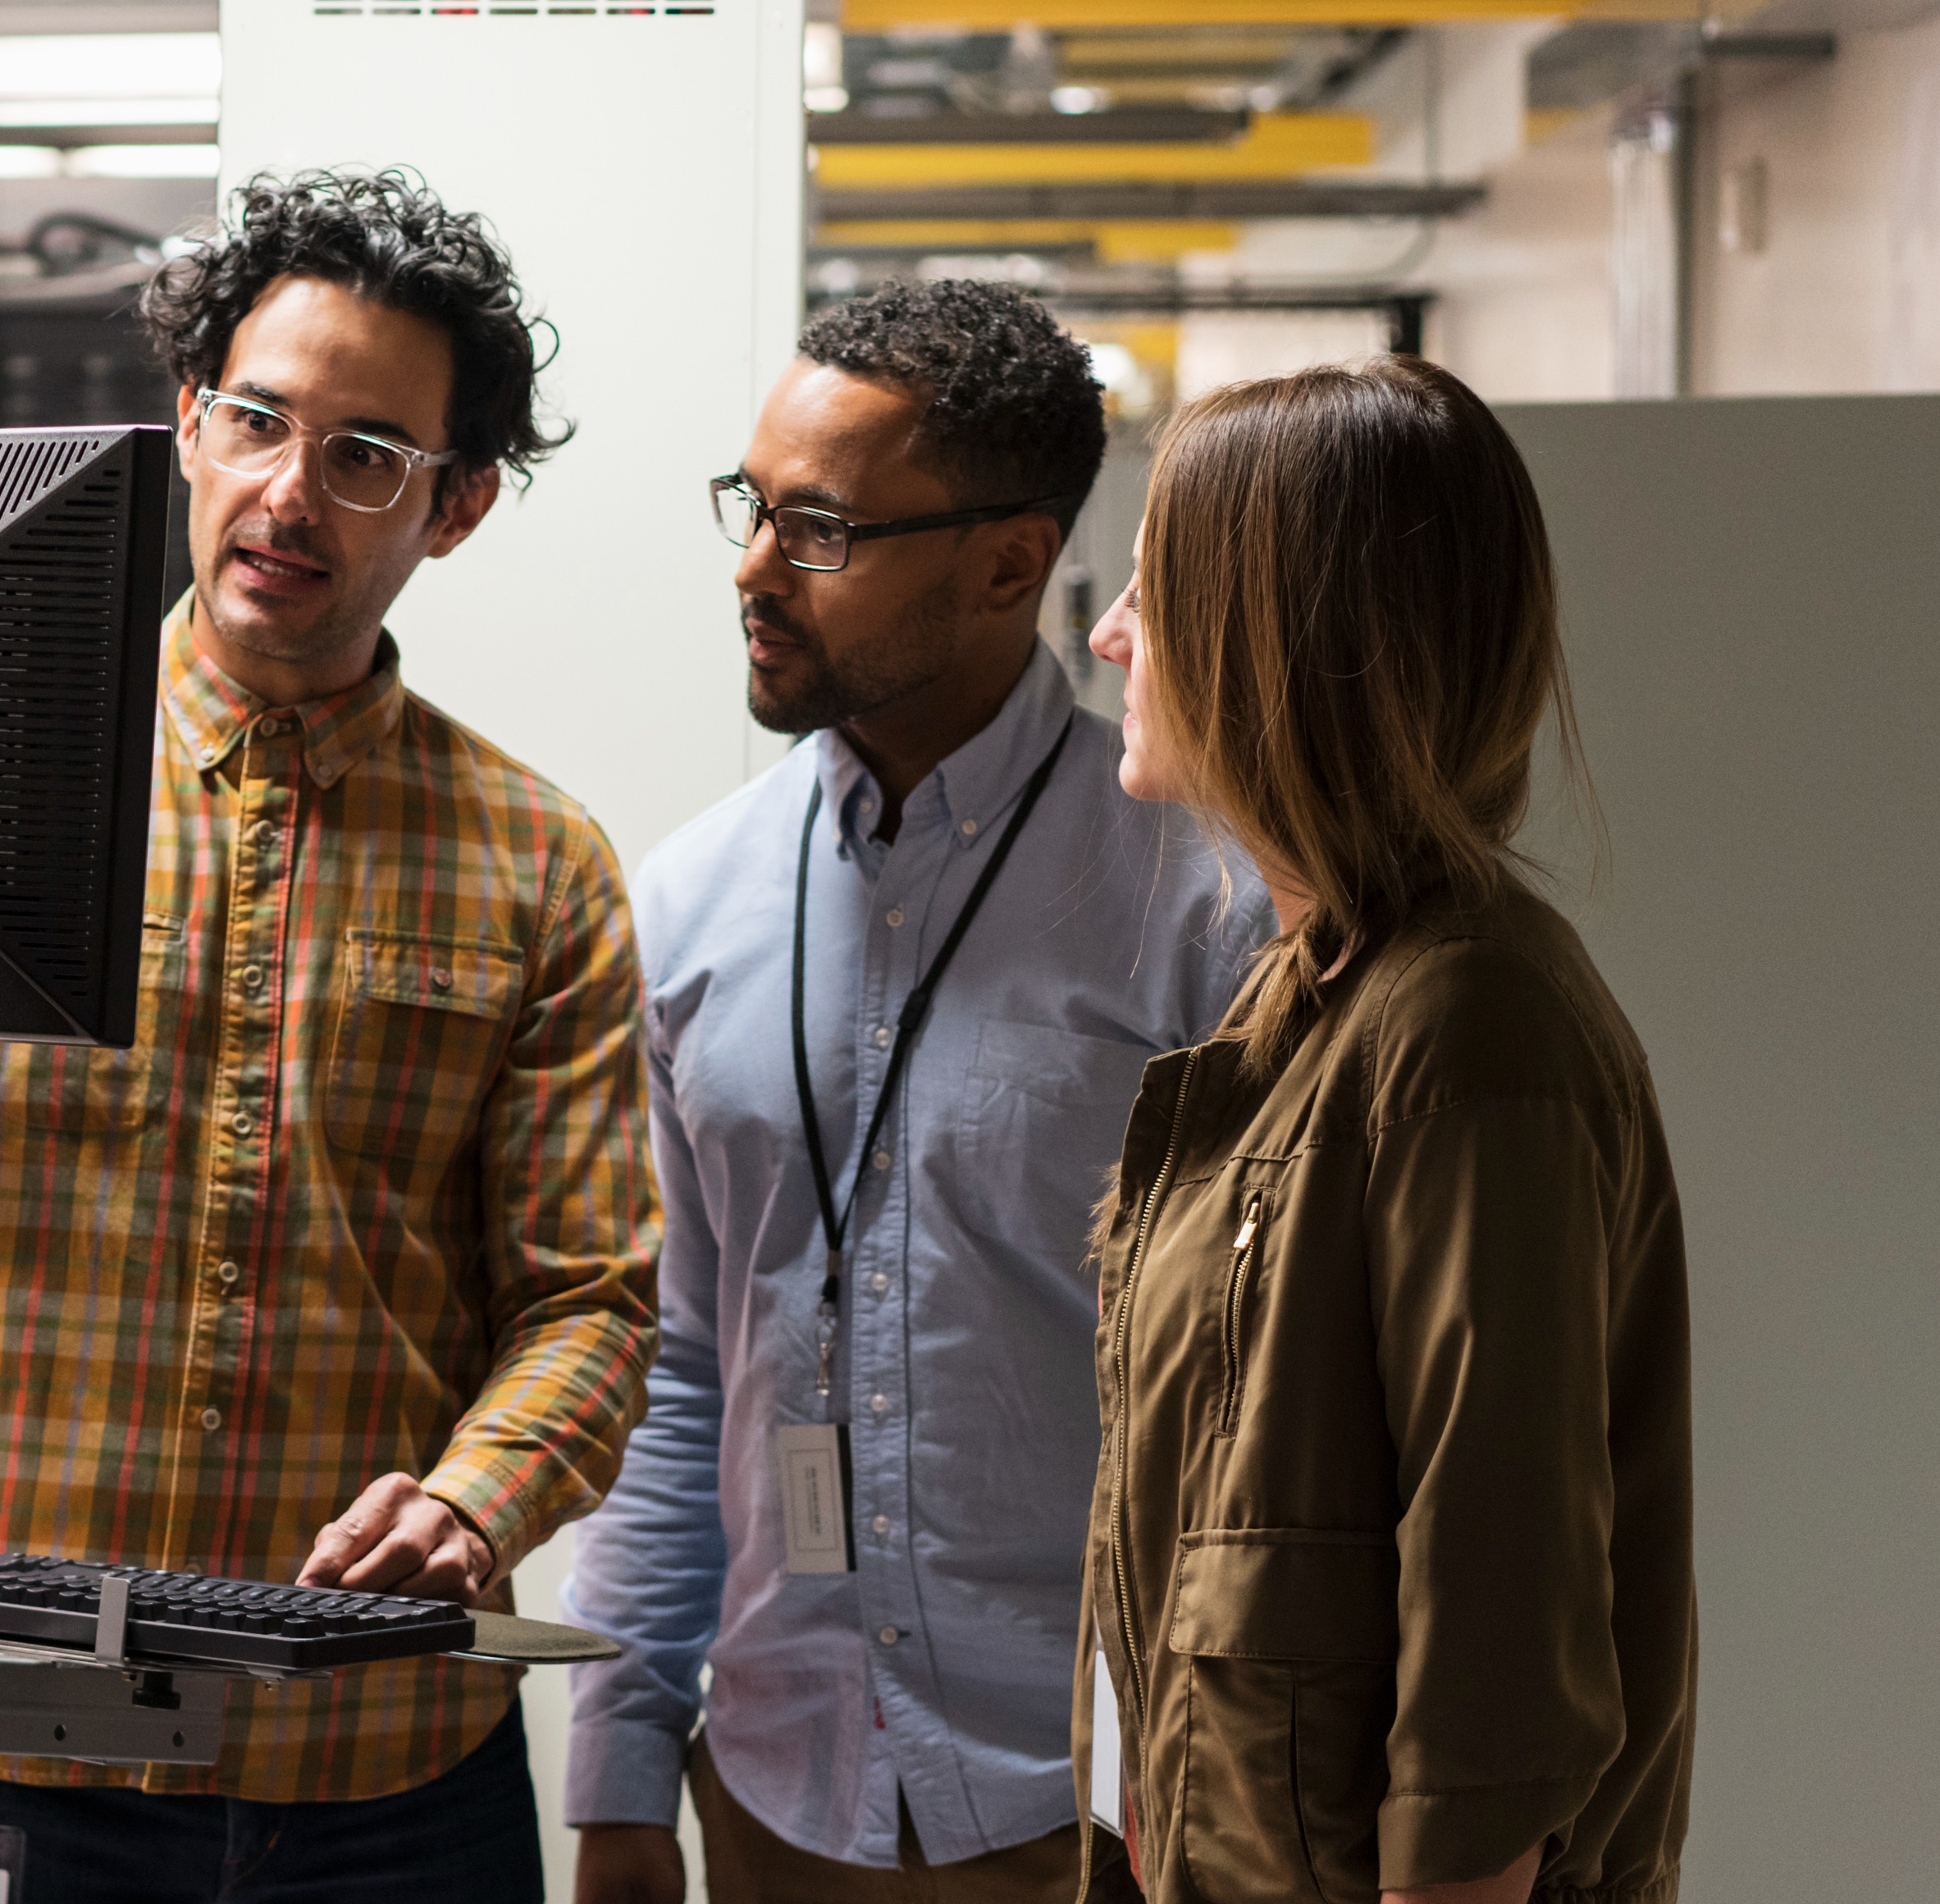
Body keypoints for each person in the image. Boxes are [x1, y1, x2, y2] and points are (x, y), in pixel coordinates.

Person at [0, 168, 657, 1902]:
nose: (290, 492)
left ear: (452, 509)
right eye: (257, 420)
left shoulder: (537, 863)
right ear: (186, 424)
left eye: (364, 454)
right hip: (15, 1721)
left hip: (378, 1767)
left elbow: (588, 1296)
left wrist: (477, 1499)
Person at [560, 282, 1269, 1904]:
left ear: (1007, 563)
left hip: (1099, 1811)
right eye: (750, 509)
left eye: (817, 531)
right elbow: (680, 1364)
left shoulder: (1205, 904)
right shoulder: (684, 906)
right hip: (770, 1794)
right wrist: (613, 1778)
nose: (750, 568)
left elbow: (1260, 1416)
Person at [1074, 355, 1690, 1904]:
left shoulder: (1465, 1029)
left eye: (1151, 593)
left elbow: (1494, 1666)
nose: (1106, 637)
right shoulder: (1312, 1001)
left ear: (1276, 643)